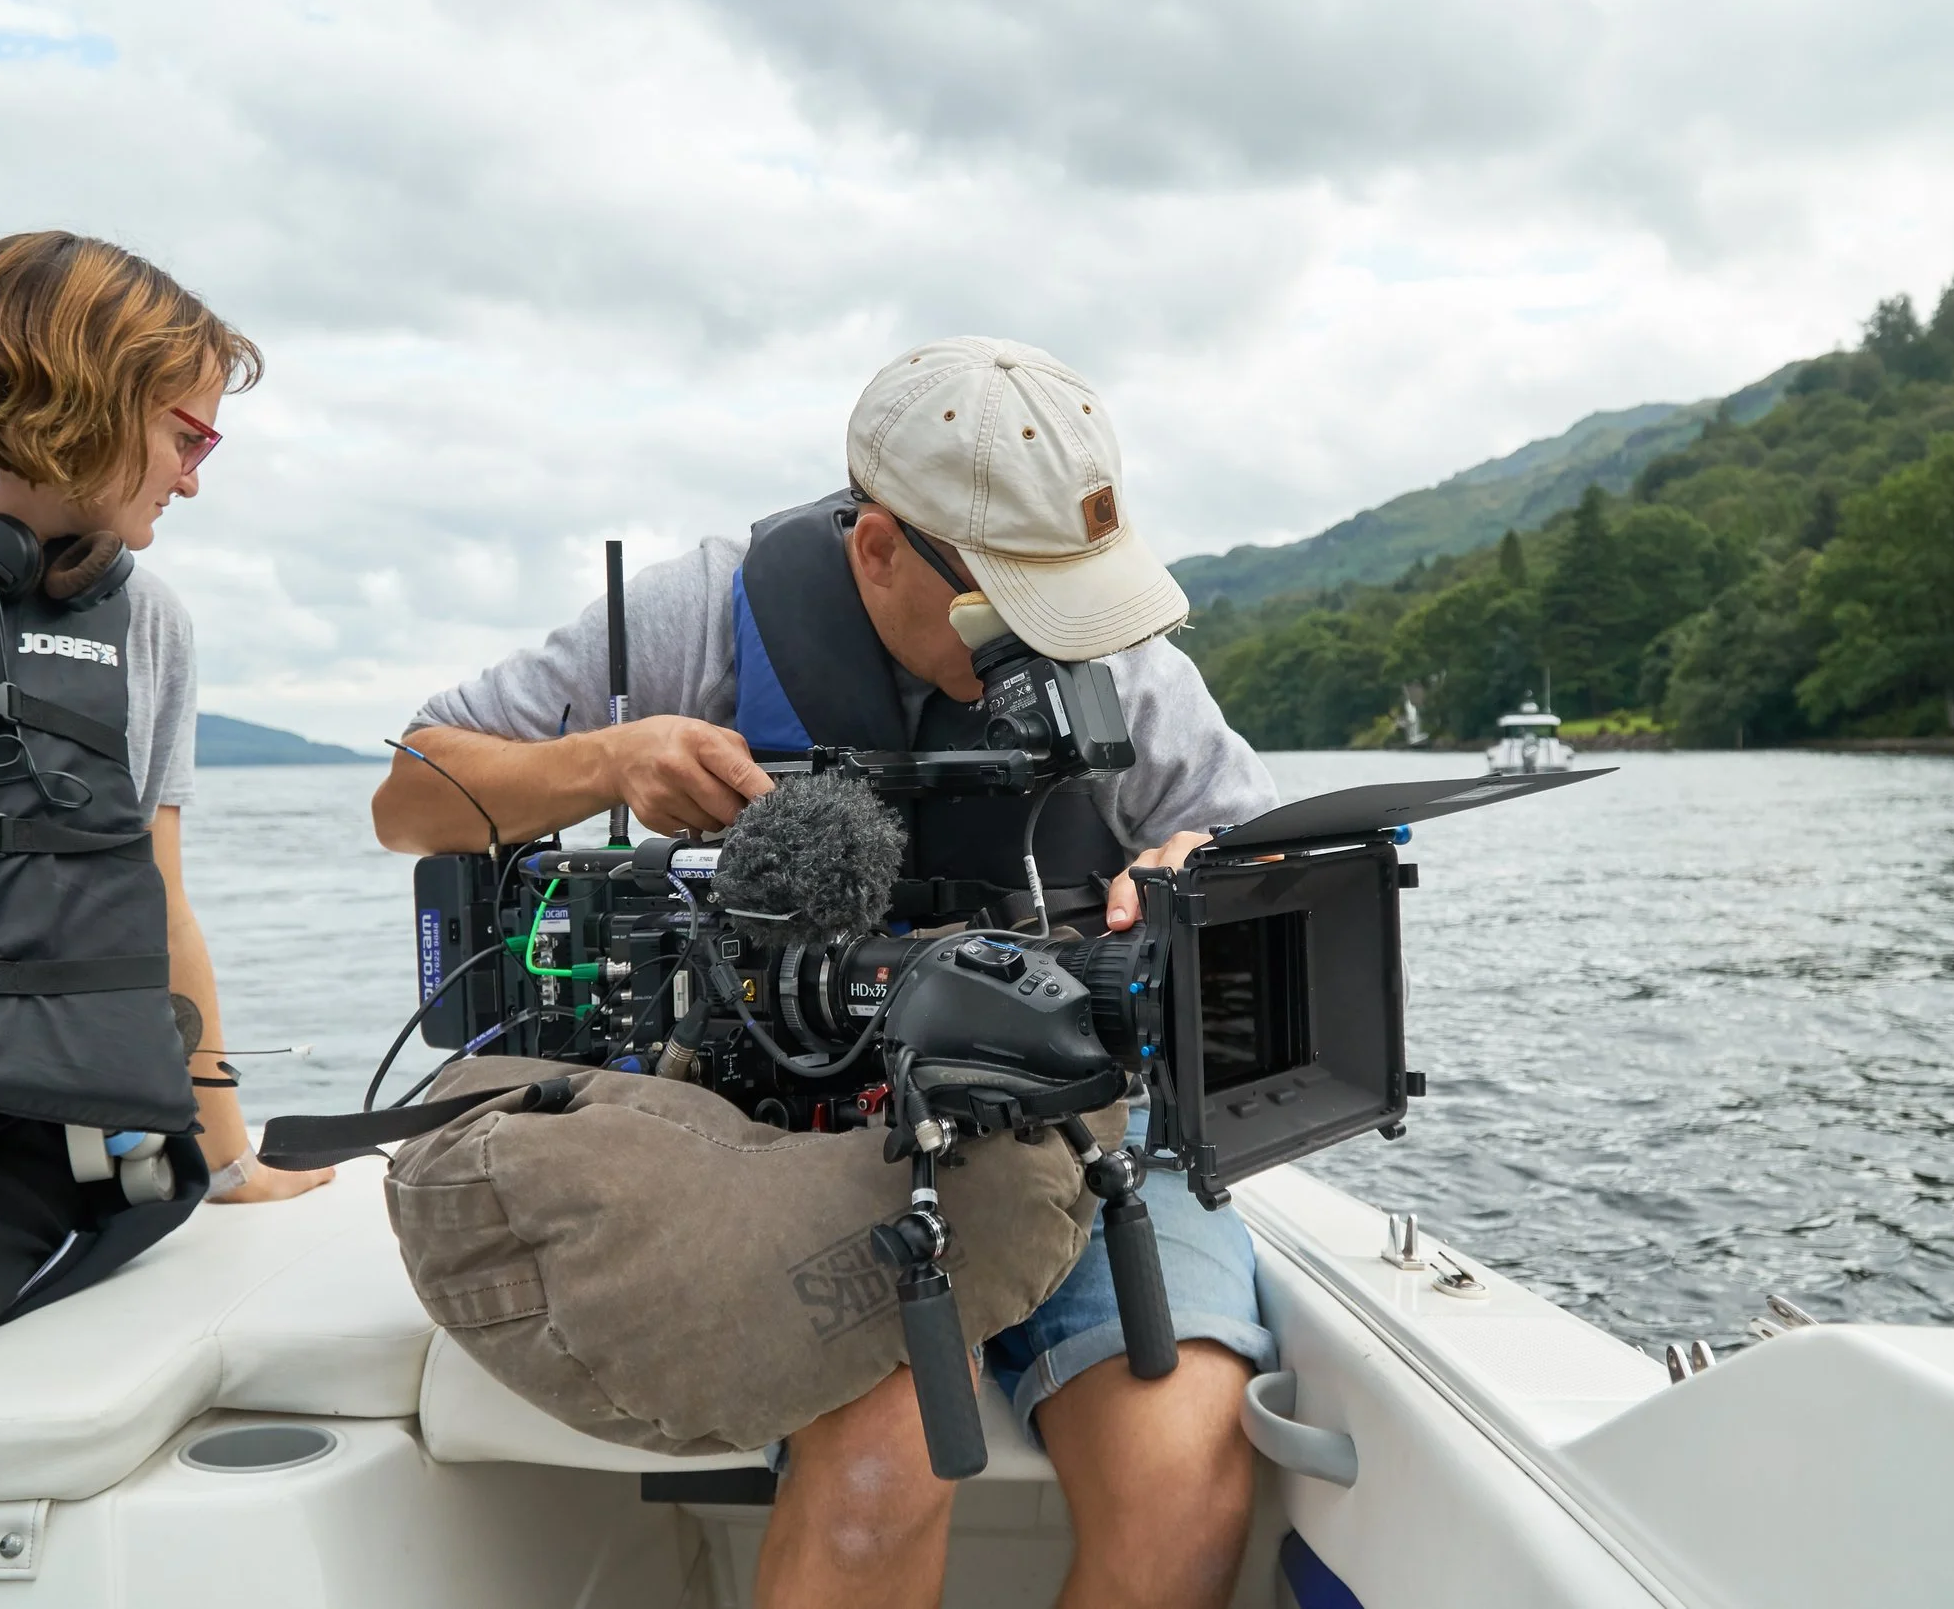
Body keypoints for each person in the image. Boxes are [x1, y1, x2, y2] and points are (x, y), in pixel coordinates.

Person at [372, 337, 1279, 1609]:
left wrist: (1200, 861)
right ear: (877, 549)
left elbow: (1254, 846)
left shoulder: (1112, 650)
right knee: (876, 1479)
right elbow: (410, 800)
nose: (1047, 635)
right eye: (1007, 601)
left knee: (1183, 1483)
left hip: (1079, 1121)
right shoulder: (700, 612)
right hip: (802, 1147)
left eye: (1067, 595)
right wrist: (609, 759)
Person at [0, 233, 332, 1596]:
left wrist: (226, 1149)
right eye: (187, 430)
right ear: (74, 387)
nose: (199, 468)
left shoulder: (143, 624)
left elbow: (156, 899)